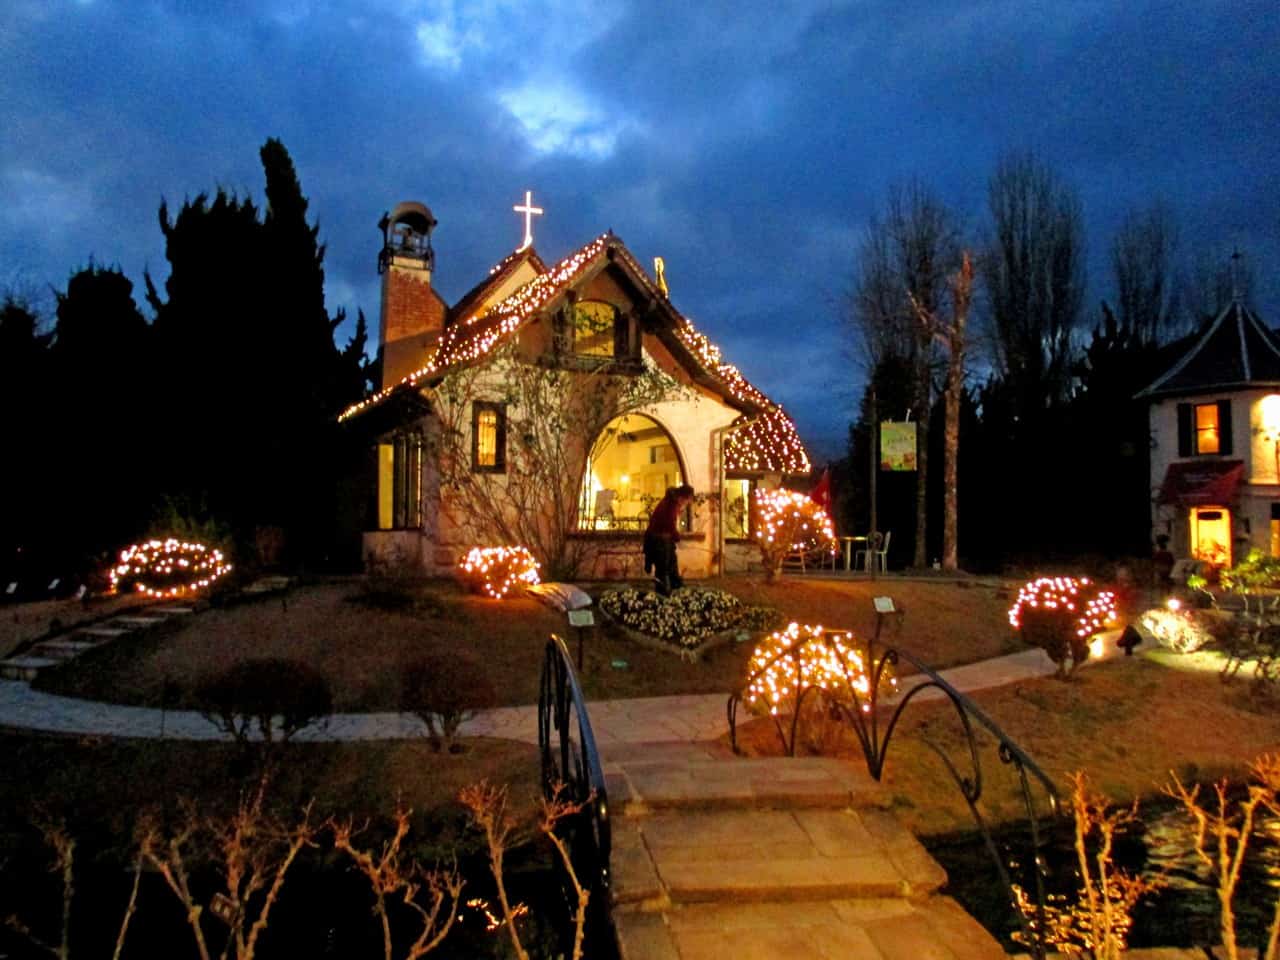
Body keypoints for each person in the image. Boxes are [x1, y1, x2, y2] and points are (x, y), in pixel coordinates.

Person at [644, 484, 695, 596]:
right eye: (687, 501)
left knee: (671, 565)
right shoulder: (671, 505)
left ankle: (675, 589)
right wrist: (678, 540)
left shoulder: (671, 502)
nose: (686, 505)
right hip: (660, 541)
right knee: (664, 569)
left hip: (664, 540)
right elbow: (669, 524)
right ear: (683, 497)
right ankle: (664, 594)